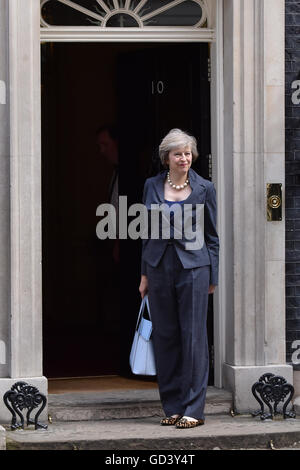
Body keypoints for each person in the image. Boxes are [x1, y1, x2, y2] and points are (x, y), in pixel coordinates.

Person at [138, 128, 219, 429]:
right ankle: (172, 406)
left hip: (194, 269)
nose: (184, 158)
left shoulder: (204, 188)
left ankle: (193, 409)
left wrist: (213, 274)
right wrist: (144, 274)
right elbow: (146, 232)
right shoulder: (151, 186)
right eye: (178, 154)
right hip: (159, 267)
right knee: (166, 337)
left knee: (194, 338)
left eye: (187, 153)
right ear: (166, 158)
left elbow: (212, 236)